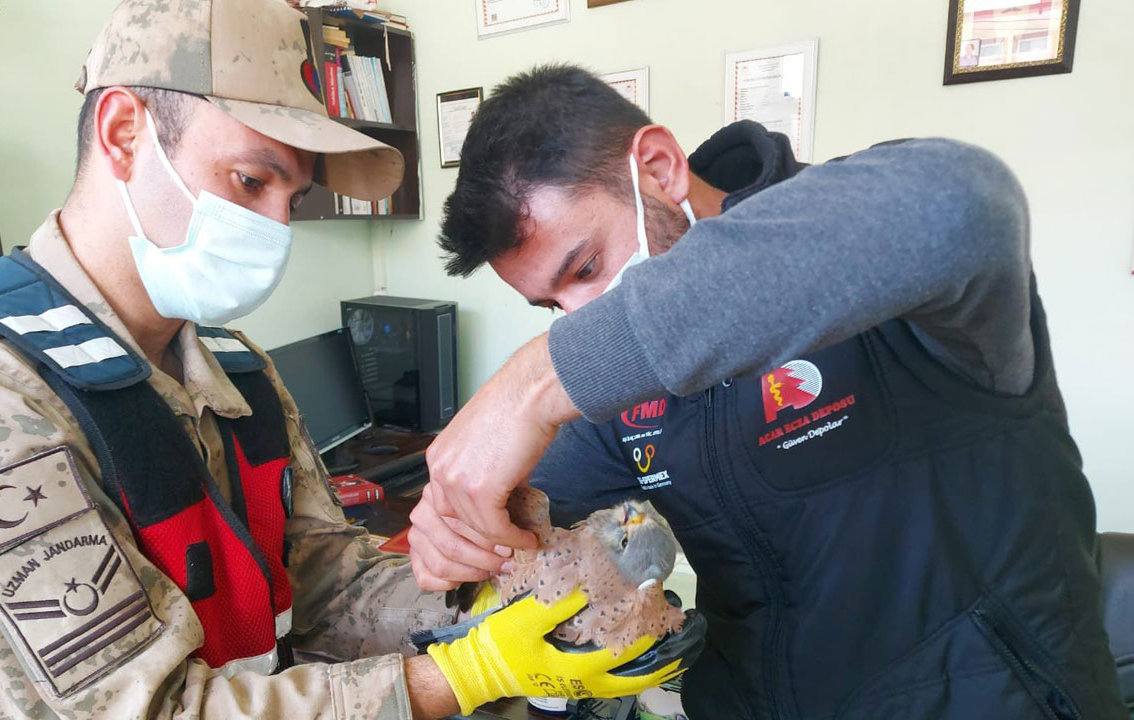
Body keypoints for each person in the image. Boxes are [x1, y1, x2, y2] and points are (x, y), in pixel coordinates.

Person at [0, 11, 697, 720]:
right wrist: (463, 676)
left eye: (291, 197)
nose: (276, 227)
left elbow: (323, 579)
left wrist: (494, 597)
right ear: (122, 134)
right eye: (250, 179)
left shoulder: (232, 366)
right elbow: (138, 708)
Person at [409, 64, 1127, 719]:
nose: (579, 320)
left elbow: (959, 205)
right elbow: (525, 510)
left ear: (657, 168)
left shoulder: (864, 252)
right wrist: (458, 531)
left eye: (587, 266)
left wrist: (536, 377)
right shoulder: (619, 391)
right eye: (549, 307)